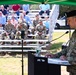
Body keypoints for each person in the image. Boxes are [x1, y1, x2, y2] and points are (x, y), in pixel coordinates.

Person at [45, 10, 76, 75]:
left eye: (69, 20)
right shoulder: (74, 34)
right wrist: (55, 55)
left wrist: (67, 58)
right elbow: (68, 49)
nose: (67, 23)